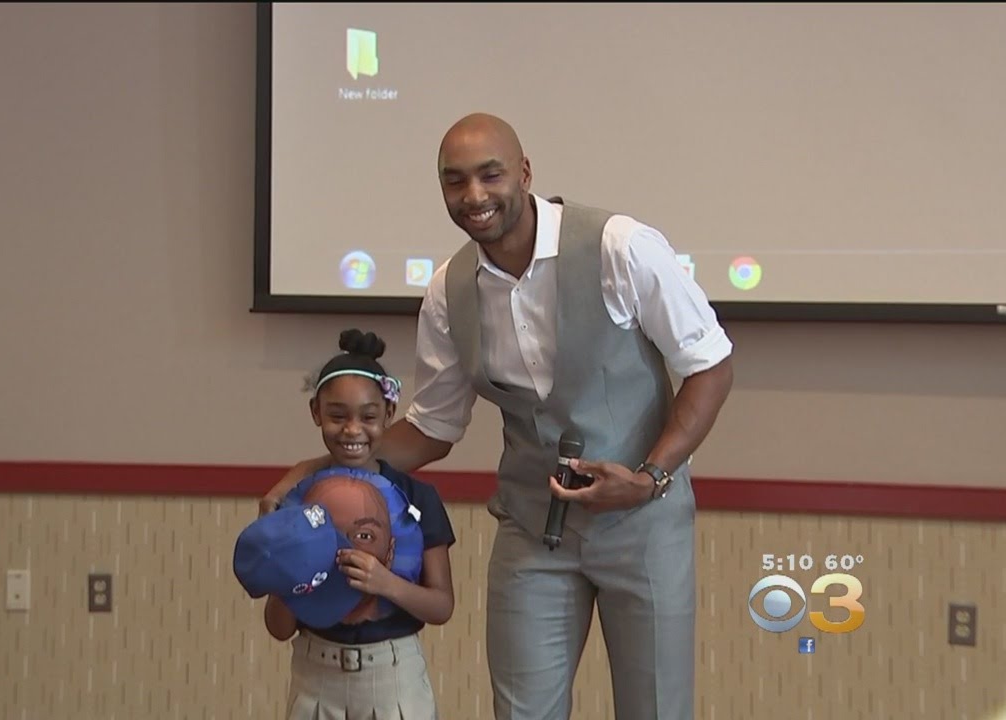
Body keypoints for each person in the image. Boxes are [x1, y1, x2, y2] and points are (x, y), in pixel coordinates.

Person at [262, 114, 734, 720]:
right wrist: (314, 470)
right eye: (455, 182)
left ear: (526, 173)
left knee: (657, 709)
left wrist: (649, 478)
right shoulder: (448, 290)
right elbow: (432, 429)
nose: (474, 196)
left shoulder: (621, 246)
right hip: (534, 532)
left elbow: (711, 366)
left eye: (491, 175)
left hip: (643, 522)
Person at [252, 328, 457, 719]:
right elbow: (278, 628)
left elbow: (442, 605)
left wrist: (386, 583)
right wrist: (282, 569)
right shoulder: (296, 498)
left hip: (395, 676)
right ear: (316, 412)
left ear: (390, 415)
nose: (352, 430)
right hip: (315, 675)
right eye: (336, 416)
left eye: (369, 416)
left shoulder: (418, 497)